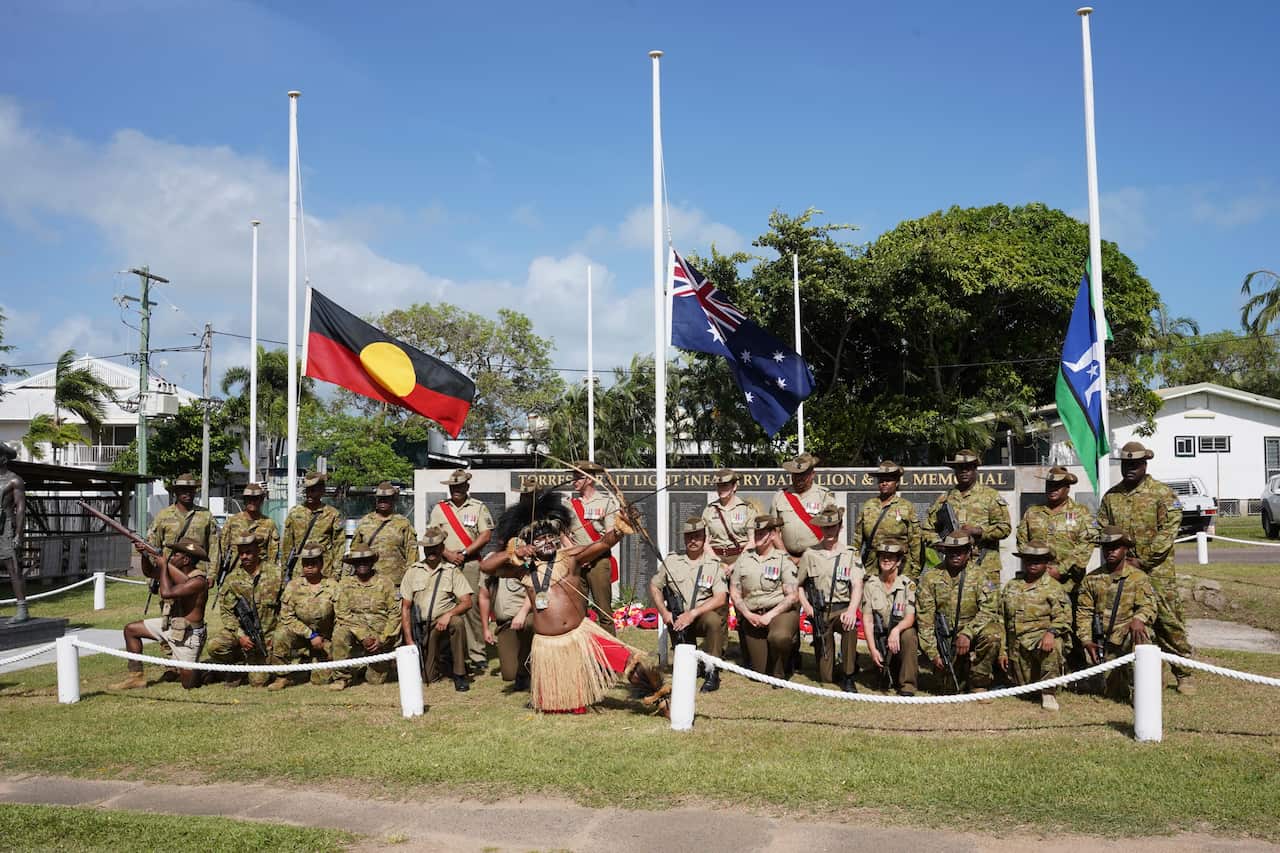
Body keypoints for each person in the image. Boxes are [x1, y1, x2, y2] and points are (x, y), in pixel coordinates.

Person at [479, 489, 668, 715]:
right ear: (529, 543)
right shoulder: (522, 570)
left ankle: (662, 698)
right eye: (540, 538)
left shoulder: (570, 558)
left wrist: (620, 528)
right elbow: (487, 567)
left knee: (628, 663)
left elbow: (603, 543)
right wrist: (514, 553)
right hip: (548, 647)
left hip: (582, 635)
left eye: (551, 536)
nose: (547, 541)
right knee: (558, 706)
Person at [1097, 440, 1197, 695]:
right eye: (1126, 464)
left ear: (1145, 464)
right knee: (1126, 620)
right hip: (1124, 572)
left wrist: (1143, 559)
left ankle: (1184, 673)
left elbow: (1168, 531)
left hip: (1157, 571)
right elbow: (1103, 530)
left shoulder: (1162, 494)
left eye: (1135, 464)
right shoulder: (1112, 497)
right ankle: (1132, 674)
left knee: (1167, 620)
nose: (1130, 468)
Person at [110, 538, 209, 690]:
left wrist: (164, 566)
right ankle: (136, 678)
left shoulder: (198, 581)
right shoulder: (176, 574)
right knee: (131, 630)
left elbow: (166, 593)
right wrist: (144, 555)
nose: (172, 556)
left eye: (176, 555)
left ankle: (206, 672)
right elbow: (149, 571)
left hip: (189, 636)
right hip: (172, 626)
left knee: (189, 685)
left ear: (186, 560)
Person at [984, 541, 1072, 712]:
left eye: (1038, 560)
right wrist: (1002, 650)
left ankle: (1049, 692)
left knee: (1054, 646)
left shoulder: (1054, 588)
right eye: (1029, 560)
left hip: (1040, 644)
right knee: (1024, 690)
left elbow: (1065, 617)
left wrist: (1051, 633)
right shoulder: (1012, 586)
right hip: (1017, 647)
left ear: (1046, 563)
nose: (1033, 564)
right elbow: (1001, 619)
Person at [1075, 526, 1156, 701]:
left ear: (1125, 549)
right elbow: (1084, 613)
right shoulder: (1091, 579)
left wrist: (1138, 619)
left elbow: (1149, 606)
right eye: (1106, 547)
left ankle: (1142, 694)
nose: (1110, 551)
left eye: (1115, 547)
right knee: (1108, 691)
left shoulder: (1138, 578)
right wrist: (1087, 641)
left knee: (1142, 635)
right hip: (1105, 643)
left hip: (1128, 636)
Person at [649, 518, 728, 693]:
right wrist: (664, 612)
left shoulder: (713, 565)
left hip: (700, 616)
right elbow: (655, 585)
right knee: (685, 671)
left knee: (714, 620)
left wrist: (693, 613)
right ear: (684, 538)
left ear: (704, 538)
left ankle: (712, 672)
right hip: (677, 620)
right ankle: (696, 665)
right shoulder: (672, 561)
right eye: (689, 536)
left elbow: (721, 597)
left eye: (697, 536)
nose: (693, 540)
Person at [915, 532, 1000, 695]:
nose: (955, 555)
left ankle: (978, 683)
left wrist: (968, 633)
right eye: (951, 550)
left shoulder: (980, 576)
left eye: (960, 551)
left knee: (993, 635)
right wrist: (933, 654)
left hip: (972, 633)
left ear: (968, 552)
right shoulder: (930, 578)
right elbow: (925, 619)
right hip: (945, 640)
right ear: (944, 552)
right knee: (949, 689)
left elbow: (989, 609)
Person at [428, 469, 494, 673]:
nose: (456, 490)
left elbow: (485, 536)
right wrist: (447, 553)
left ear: (467, 487)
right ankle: (453, 654)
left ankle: (477, 654)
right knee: (447, 606)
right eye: (452, 487)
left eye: (459, 486)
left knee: (471, 608)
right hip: (446, 563)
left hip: (470, 563)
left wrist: (464, 553)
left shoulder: (478, 507)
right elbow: (432, 536)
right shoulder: (440, 509)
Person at [796, 508, 863, 691]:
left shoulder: (849, 554)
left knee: (850, 627)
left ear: (840, 527)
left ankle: (849, 674)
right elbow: (799, 585)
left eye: (833, 527)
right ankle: (837, 665)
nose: (829, 531)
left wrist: (851, 610)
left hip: (842, 608)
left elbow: (857, 585)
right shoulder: (810, 554)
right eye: (825, 527)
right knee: (826, 677)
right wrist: (807, 606)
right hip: (820, 611)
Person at [205, 534, 284, 687]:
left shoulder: (276, 574)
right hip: (243, 633)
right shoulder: (232, 579)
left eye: (249, 552)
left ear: (258, 551)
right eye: (241, 553)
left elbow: (286, 609)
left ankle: (245, 667)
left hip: (269, 636)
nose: (244, 556)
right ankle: (237, 664)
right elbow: (227, 612)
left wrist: (276, 635)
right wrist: (240, 635)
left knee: (258, 682)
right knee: (215, 645)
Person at [400, 527, 473, 692]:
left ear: (442, 549)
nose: (431, 551)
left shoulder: (452, 571)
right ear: (424, 549)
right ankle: (442, 662)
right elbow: (405, 608)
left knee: (457, 622)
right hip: (422, 628)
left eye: (435, 548)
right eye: (428, 548)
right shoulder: (413, 572)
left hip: (443, 623)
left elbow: (467, 602)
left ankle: (460, 674)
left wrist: (449, 614)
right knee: (428, 678)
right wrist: (409, 640)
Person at [730, 516, 801, 680]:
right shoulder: (744, 558)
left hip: (779, 613)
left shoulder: (782, 559)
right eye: (756, 533)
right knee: (759, 674)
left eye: (762, 533)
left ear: (772, 535)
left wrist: (769, 616)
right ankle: (774, 660)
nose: (758, 536)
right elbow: (734, 591)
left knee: (779, 638)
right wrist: (748, 614)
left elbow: (792, 596)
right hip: (753, 615)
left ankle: (781, 670)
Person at [927, 450, 1010, 586]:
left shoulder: (990, 496)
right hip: (953, 568)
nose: (964, 471)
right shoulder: (945, 498)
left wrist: (978, 531)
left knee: (988, 605)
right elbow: (927, 528)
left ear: (975, 469)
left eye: (968, 467)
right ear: (955, 471)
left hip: (984, 566)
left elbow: (1005, 528)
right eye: (960, 468)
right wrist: (941, 544)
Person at [1016, 466, 1097, 599]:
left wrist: (1061, 569)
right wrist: (1038, 567)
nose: (1052, 489)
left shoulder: (1081, 512)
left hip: (1070, 584)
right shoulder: (1033, 512)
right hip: (1038, 583)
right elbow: (1022, 543)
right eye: (1049, 485)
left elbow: (1087, 544)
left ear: (1067, 488)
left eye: (1057, 486)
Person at [265, 544, 338, 690]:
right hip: (301, 636)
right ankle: (282, 676)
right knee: (281, 633)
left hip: (324, 641)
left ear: (321, 563)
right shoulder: (293, 586)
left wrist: (330, 645)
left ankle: (309, 660)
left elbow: (340, 618)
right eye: (305, 563)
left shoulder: (333, 586)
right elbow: (287, 617)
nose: (309, 567)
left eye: (313, 563)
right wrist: (310, 635)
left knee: (321, 681)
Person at [329, 550, 401, 690]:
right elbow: (342, 614)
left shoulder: (385, 583)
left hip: (379, 638)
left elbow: (394, 614)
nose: (362, 564)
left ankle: (370, 667)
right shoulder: (344, 584)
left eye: (366, 560)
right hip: (353, 633)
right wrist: (363, 636)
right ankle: (341, 678)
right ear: (353, 564)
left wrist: (382, 639)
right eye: (358, 561)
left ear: (372, 562)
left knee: (374, 681)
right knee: (339, 632)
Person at [563, 460, 620, 636]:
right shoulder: (569, 504)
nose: (574, 481)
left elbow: (610, 536)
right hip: (576, 562)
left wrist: (589, 556)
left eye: (577, 477)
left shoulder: (605, 502)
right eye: (573, 477)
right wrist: (576, 555)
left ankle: (610, 654)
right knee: (577, 611)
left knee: (604, 612)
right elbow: (563, 533)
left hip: (598, 562)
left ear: (588, 479)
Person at [860, 539, 919, 696]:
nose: (886, 560)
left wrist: (896, 630)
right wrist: (872, 650)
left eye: (891, 557)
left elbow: (910, 618)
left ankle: (907, 685)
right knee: (882, 681)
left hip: (899, 635)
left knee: (909, 634)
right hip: (881, 636)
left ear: (899, 562)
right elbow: (867, 620)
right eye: (882, 556)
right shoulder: (871, 584)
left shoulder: (908, 585)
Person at [851, 461, 923, 579]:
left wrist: (914, 571)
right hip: (872, 566)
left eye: (888, 480)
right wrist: (854, 565)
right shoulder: (868, 506)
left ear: (897, 483)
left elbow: (915, 540)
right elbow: (857, 539)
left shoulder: (906, 507)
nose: (884, 483)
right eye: (881, 480)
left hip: (900, 567)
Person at [148, 472, 219, 585]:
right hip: (169, 572)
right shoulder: (163, 515)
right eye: (183, 489)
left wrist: (212, 574)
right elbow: (153, 545)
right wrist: (153, 574)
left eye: (191, 489)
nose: (188, 493)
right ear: (176, 492)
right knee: (169, 601)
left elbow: (214, 547)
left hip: (197, 574)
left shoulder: (205, 515)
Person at [770, 453, 836, 560]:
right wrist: (787, 557)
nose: (799, 478)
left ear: (812, 474)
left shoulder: (824, 496)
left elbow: (832, 530)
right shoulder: (780, 496)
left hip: (817, 558)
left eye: (803, 474)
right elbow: (773, 532)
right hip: (786, 559)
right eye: (795, 474)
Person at [352, 481, 416, 587]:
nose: (383, 501)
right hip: (369, 582)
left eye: (387, 498)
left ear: (393, 500)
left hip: (396, 582)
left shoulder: (403, 523)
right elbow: (354, 550)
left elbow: (412, 553)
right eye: (380, 498)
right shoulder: (365, 522)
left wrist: (410, 580)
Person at [281, 472, 345, 579]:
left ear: (322, 491)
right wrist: (283, 572)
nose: (310, 494)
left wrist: (336, 573)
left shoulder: (332, 514)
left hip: (324, 571)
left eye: (313, 490)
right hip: (300, 571)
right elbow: (287, 545)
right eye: (307, 490)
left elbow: (339, 546)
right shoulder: (295, 513)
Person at [217, 482, 280, 587]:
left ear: (261, 500)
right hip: (235, 573)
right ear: (244, 501)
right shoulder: (233, 521)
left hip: (260, 575)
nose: (252, 502)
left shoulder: (269, 523)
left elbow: (273, 552)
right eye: (249, 499)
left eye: (256, 499)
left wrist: (270, 573)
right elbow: (223, 548)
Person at [480, 572, 534, 691]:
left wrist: (522, 613)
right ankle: (522, 672)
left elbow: (534, 589)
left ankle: (532, 672)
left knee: (529, 625)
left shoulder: (524, 563)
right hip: (505, 624)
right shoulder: (490, 565)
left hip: (526, 617)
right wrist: (485, 628)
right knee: (510, 674)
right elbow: (484, 596)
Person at [0, 443, 28, 623]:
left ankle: (22, 609)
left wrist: (18, 534)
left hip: (6, 526)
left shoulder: (14, 481)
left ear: (3, 459)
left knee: (13, 567)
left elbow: (20, 510)